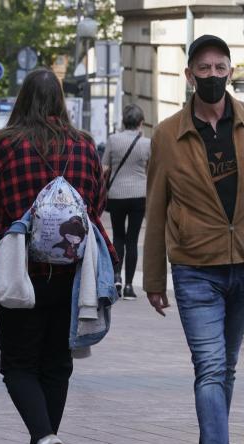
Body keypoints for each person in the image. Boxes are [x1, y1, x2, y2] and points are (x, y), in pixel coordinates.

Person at [143, 34, 244, 444]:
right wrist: (152, 279)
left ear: (230, 71)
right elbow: (157, 206)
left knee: (223, 369)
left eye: (219, 67)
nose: (211, 76)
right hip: (195, 267)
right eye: (202, 69)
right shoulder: (168, 133)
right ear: (189, 76)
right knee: (209, 367)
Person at [0, 68, 115, 444]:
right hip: (71, 275)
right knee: (56, 365)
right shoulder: (85, 145)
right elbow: (98, 204)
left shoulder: (6, 143)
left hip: (19, 270)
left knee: (17, 365)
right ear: (60, 100)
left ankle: (42, 440)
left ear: (23, 98)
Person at [101, 103, 150, 300]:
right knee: (132, 240)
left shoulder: (113, 140)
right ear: (141, 122)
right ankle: (130, 286)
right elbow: (151, 169)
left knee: (118, 237)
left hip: (116, 195)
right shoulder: (147, 143)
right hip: (139, 195)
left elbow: (104, 167)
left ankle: (116, 278)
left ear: (123, 121)